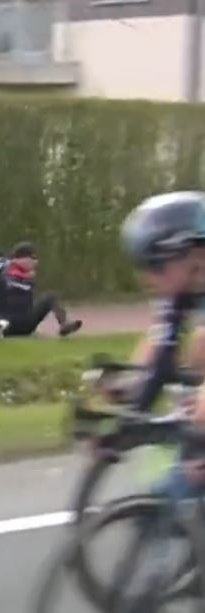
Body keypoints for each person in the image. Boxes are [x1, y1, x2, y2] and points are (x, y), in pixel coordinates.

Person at [119, 190, 205, 496]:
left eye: (154, 265)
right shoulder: (183, 289)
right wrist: (127, 398)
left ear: (191, 253)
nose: (148, 278)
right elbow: (157, 349)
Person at [0, 241, 82, 337]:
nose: (36, 262)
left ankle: (64, 324)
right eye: (33, 258)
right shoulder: (1, 274)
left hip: (26, 323)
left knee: (51, 297)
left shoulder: (28, 277)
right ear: (21, 258)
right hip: (5, 323)